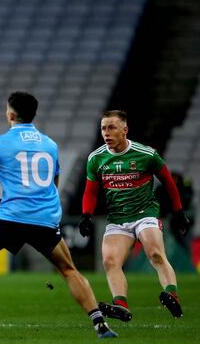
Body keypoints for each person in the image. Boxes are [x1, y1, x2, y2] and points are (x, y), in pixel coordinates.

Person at [0, 92, 119, 339]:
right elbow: (52, 183)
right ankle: (100, 325)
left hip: (12, 218)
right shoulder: (50, 145)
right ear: (34, 115)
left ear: (11, 115)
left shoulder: (0, 142)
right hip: (45, 220)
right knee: (69, 270)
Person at [79, 110, 190, 321]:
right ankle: (121, 304)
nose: (106, 133)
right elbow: (90, 191)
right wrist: (86, 216)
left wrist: (178, 211)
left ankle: (171, 294)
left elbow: (168, 181)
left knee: (155, 253)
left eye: (111, 128)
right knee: (110, 261)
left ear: (125, 130)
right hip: (117, 219)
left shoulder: (146, 154)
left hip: (145, 213)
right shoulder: (96, 158)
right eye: (103, 128)